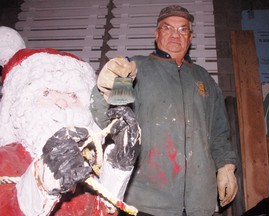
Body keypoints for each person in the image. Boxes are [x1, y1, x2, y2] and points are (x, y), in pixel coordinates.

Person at [90, 5, 238, 216]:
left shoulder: (203, 77)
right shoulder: (134, 68)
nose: (175, 35)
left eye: (182, 29)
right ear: (156, 34)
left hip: (199, 202)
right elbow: (110, 120)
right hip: (146, 201)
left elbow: (219, 132)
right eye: (167, 28)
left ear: (191, 37)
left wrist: (226, 167)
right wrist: (106, 89)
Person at [0, 26, 140, 216]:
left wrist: (116, 170)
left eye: (73, 95)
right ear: (21, 102)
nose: (63, 102)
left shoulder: (88, 162)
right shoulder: (7, 159)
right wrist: (42, 181)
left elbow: (102, 211)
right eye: (47, 93)